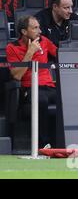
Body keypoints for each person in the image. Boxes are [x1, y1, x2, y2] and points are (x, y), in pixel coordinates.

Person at [6, 15, 58, 148]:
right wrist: (30, 52)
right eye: (35, 28)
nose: (40, 31)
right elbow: (17, 76)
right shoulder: (12, 47)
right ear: (24, 32)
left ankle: (66, 141)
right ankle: (44, 144)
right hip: (30, 89)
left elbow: (59, 54)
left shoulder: (44, 41)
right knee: (41, 100)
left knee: (68, 98)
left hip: (50, 87)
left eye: (39, 27)